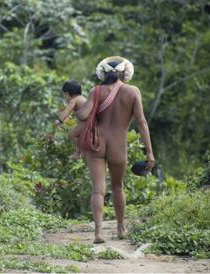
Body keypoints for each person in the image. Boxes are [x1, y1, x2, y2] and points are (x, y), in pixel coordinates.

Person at [75, 56, 155, 243]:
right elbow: (142, 123)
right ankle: (120, 229)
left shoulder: (96, 91)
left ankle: (98, 233)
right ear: (125, 72)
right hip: (118, 146)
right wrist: (149, 152)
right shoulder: (133, 91)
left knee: (98, 191)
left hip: (97, 144)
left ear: (102, 72)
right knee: (118, 187)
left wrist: (76, 105)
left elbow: (83, 115)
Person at [54, 80, 87, 160]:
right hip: (91, 122)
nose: (65, 98)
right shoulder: (82, 98)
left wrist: (60, 120)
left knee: (72, 135)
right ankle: (80, 152)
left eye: (64, 95)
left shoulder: (74, 100)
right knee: (78, 134)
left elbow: (67, 111)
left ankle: (80, 152)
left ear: (68, 93)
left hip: (86, 123)